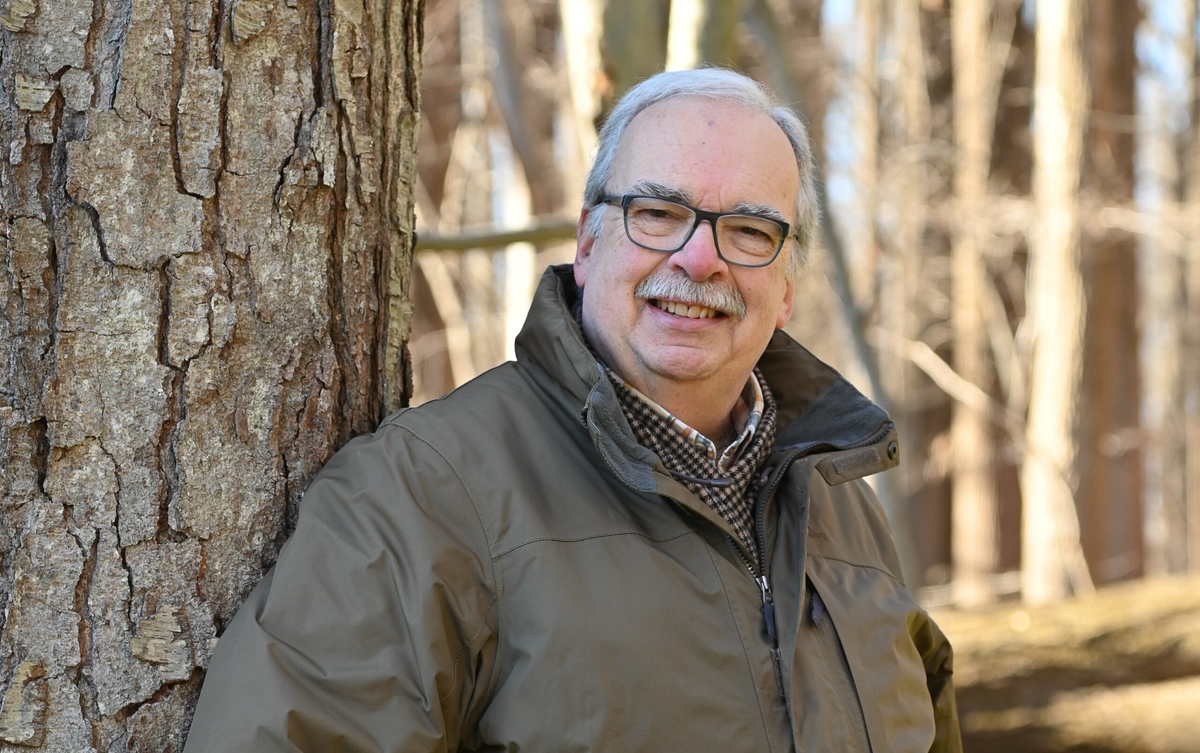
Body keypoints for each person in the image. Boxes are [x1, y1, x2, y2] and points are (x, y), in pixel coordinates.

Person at [184, 68, 961, 753]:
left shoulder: (840, 501)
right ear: (590, 243)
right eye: (658, 213)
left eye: (750, 230)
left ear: (787, 285)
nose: (700, 257)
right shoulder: (428, 493)